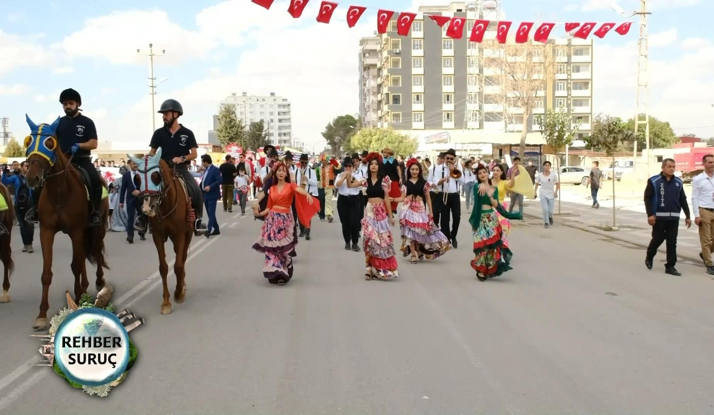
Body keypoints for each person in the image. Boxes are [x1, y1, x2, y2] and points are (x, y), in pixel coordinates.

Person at [25, 88, 103, 226]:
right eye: (65, 104)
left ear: (77, 104)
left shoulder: (87, 122)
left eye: (70, 103)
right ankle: (34, 210)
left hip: (81, 159)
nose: (67, 106)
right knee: (40, 181)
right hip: (61, 161)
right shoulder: (58, 123)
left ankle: (94, 212)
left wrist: (79, 145)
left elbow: (94, 143)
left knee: (95, 181)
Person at [137, 99, 207, 235]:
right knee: (143, 191)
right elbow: (152, 152)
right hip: (161, 170)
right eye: (163, 114)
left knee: (196, 191)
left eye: (166, 114)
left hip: (180, 169)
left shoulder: (187, 133)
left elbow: (194, 154)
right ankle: (142, 219)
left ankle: (198, 221)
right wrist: (146, 158)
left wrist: (182, 158)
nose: (163, 117)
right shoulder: (158, 133)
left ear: (176, 114)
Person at [252, 162, 318, 286]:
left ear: (286, 173)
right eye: (279, 170)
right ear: (275, 173)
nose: (281, 173)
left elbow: (299, 190)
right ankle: (274, 271)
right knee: (271, 248)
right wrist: (260, 214)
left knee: (281, 248)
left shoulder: (291, 186)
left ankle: (283, 272)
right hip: (272, 221)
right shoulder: (271, 189)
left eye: (283, 171)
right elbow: (269, 207)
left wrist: (308, 194)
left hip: (285, 220)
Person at [469, 164, 522, 281]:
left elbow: (496, 205)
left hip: (492, 219)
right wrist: (481, 185)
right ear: (478, 176)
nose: (482, 174)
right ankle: (481, 269)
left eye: (484, 172)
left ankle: (488, 268)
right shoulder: (477, 186)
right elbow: (477, 191)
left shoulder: (495, 189)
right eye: (480, 173)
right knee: (482, 244)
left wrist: (491, 196)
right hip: (481, 219)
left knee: (491, 246)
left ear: (488, 173)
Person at [393, 158, 450, 264]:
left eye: (416, 169)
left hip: (420, 210)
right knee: (409, 232)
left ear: (419, 171)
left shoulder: (424, 183)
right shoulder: (405, 184)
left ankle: (419, 249)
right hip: (407, 209)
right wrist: (392, 199)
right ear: (409, 170)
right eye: (412, 169)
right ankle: (413, 254)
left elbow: (428, 198)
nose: (414, 171)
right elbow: (402, 198)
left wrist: (431, 212)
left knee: (420, 232)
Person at [645, 158, 691, 276]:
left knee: (672, 242)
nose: (672, 169)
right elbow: (648, 198)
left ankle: (670, 266)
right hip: (659, 217)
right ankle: (650, 255)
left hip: (674, 218)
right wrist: (650, 214)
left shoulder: (679, 182)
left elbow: (683, 199)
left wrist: (687, 215)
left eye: (673, 167)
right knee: (657, 240)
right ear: (663, 167)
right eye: (669, 166)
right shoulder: (654, 181)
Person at [361, 152, 399, 280]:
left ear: (379, 166)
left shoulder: (384, 181)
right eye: (371, 164)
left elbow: (387, 199)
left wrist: (391, 216)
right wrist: (347, 176)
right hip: (369, 211)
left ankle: (380, 267)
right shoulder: (365, 181)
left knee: (382, 240)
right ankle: (368, 268)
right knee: (369, 239)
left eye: (376, 164)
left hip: (381, 212)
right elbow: (350, 186)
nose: (373, 166)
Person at [430, 149, 464, 248]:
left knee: (457, 217)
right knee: (445, 219)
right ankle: (447, 238)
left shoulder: (458, 167)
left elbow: (462, 182)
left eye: (451, 158)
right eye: (447, 158)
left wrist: (454, 170)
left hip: (455, 195)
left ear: (454, 159)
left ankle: (453, 236)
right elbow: (434, 182)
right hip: (443, 194)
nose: (449, 160)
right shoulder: (438, 168)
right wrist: (442, 180)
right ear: (444, 158)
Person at [2, 161, 33, 248]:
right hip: (19, 204)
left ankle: (30, 243)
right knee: (22, 226)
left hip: (30, 204)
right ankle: (25, 244)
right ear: (22, 167)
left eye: (28, 166)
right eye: (26, 166)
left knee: (30, 225)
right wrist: (5, 172)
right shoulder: (16, 177)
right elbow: (4, 181)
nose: (28, 168)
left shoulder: (32, 177)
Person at [692, 154, 714, 275]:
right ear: (704, 164)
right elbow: (695, 197)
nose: (712, 164)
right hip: (704, 211)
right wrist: (696, 214)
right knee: (705, 239)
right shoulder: (698, 179)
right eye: (710, 162)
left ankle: (704, 253)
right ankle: (709, 264)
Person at [335, 156, 363, 251]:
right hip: (343, 200)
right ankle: (347, 242)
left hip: (354, 200)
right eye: (345, 166)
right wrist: (344, 176)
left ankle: (355, 243)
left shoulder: (358, 175)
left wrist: (351, 176)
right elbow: (337, 185)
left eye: (349, 166)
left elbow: (360, 186)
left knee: (354, 222)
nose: (347, 168)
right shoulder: (339, 176)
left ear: (353, 166)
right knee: (345, 223)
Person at [491, 164, 515, 250]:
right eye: (494, 170)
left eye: (497, 170)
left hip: (502, 208)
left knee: (503, 229)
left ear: (501, 172)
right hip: (491, 208)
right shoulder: (488, 182)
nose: (495, 172)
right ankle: (494, 249)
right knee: (492, 230)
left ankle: (503, 248)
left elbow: (511, 185)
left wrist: (512, 175)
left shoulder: (504, 182)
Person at [295, 153, 319, 240]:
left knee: (308, 214)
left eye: (305, 163)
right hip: (299, 195)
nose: (304, 164)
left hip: (308, 194)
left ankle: (307, 230)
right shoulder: (296, 171)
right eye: (302, 162)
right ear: (300, 162)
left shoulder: (311, 171)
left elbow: (316, 183)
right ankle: (302, 230)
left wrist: (307, 179)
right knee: (300, 213)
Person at [119, 159, 144, 244]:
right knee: (130, 217)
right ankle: (130, 236)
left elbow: (145, 186)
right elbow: (123, 189)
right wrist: (121, 201)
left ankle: (142, 233)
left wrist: (139, 191)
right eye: (134, 164)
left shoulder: (142, 174)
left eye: (137, 164)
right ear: (130, 164)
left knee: (142, 217)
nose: (135, 165)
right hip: (130, 199)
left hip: (140, 199)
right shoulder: (126, 175)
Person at [200, 154, 221, 237]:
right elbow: (204, 180)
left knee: (211, 212)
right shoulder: (206, 170)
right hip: (205, 194)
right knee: (209, 213)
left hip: (212, 194)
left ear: (206, 161)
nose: (201, 163)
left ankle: (208, 230)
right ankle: (216, 229)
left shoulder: (214, 169)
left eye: (202, 161)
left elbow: (219, 180)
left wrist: (210, 186)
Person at [534, 161, 559, 228]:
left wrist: (556, 192)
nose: (547, 166)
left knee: (550, 211)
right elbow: (536, 183)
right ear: (543, 166)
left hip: (551, 194)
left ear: (550, 167)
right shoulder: (540, 175)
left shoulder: (553, 175)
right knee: (545, 209)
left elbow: (557, 184)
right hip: (543, 194)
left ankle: (550, 217)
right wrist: (535, 192)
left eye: (548, 165)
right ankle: (546, 222)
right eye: (545, 165)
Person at [381, 148, 402, 214]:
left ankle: (393, 208)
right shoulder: (382, 161)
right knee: (386, 195)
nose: (383, 154)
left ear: (388, 153)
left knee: (395, 194)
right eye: (383, 153)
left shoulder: (394, 160)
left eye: (385, 153)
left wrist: (400, 178)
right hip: (385, 180)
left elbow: (398, 169)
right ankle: (387, 210)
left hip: (394, 179)